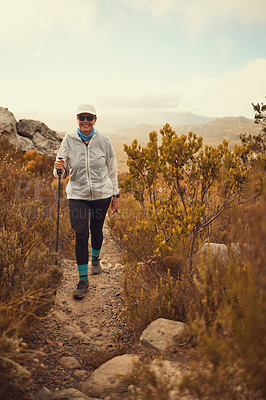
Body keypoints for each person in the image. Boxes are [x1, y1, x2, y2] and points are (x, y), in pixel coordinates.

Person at [53, 103, 119, 299]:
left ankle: (96, 259)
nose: (85, 121)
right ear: (77, 119)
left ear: (95, 120)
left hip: (101, 195)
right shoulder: (68, 140)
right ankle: (83, 279)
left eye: (89, 118)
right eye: (82, 117)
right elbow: (61, 170)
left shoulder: (104, 140)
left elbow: (112, 169)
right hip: (78, 195)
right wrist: (58, 168)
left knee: (96, 230)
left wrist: (115, 195)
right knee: (81, 234)